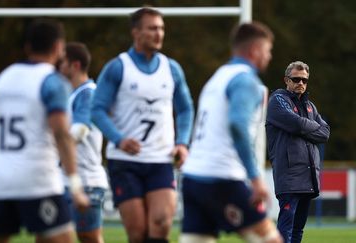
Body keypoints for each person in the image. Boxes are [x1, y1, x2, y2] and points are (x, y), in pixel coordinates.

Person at [0, 19, 88, 243]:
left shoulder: (1, 80)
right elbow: (61, 134)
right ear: (59, 47)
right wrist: (76, 185)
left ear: (28, 47)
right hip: (37, 181)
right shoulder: (53, 82)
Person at [91, 7, 194, 243]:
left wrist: (182, 143)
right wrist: (119, 139)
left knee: (161, 223)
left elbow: (186, 109)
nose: (158, 33)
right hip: (125, 162)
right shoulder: (118, 67)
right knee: (137, 232)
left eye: (161, 28)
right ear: (136, 32)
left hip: (160, 159)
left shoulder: (172, 69)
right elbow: (96, 110)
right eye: (152, 28)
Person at [180, 21, 282, 243]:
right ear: (255, 51)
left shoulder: (217, 77)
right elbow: (237, 124)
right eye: (268, 50)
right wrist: (255, 179)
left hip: (193, 178)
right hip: (221, 178)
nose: (269, 56)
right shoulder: (247, 81)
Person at [266, 61, 330, 243]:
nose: (300, 83)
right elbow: (296, 123)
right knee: (286, 227)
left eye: (304, 80)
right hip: (289, 176)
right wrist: (309, 128)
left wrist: (304, 127)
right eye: (296, 79)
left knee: (298, 229)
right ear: (286, 80)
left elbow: (325, 134)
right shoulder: (277, 100)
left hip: (308, 176)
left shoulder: (310, 106)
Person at [58, 42, 109, 243]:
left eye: (63, 62)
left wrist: (50, 146)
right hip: (65, 179)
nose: (58, 67)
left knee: (89, 238)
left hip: (85, 181)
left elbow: (79, 130)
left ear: (75, 65)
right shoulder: (72, 94)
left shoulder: (88, 93)